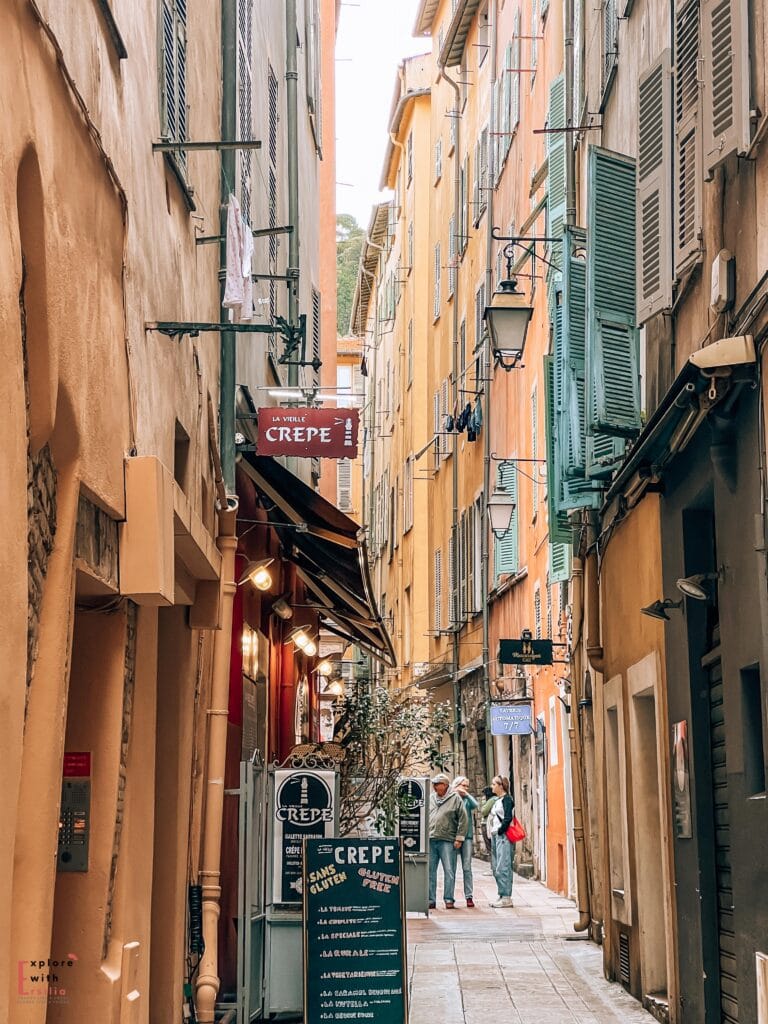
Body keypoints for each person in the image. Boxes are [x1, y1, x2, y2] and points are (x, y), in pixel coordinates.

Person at [428, 773, 469, 910]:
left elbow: (463, 819)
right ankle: (430, 900)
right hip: (431, 838)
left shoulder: (455, 798)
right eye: (433, 784)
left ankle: (449, 899)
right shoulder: (431, 798)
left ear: (445, 785)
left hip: (447, 840)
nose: (434, 786)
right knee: (430, 871)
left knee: (449, 871)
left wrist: (459, 838)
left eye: (437, 784)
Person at [487, 775, 515, 908]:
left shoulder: (507, 799)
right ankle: (502, 894)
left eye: (494, 784)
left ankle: (506, 897)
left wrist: (500, 830)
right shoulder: (498, 800)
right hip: (496, 835)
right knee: (496, 866)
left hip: (503, 836)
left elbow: (508, 817)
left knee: (503, 866)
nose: (492, 786)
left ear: (501, 786)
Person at [451, 776, 479, 907]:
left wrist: (467, 794)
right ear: (456, 785)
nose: (465, 788)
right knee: (451, 868)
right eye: (463, 785)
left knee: (467, 867)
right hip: (452, 837)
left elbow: (476, 805)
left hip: (467, 837)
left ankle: (469, 896)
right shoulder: (451, 798)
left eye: (467, 786)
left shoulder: (467, 799)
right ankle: (449, 897)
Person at [479, 785, 497, 866]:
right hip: (491, 824)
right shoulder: (496, 799)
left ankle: (493, 866)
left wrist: (483, 803)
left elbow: (483, 811)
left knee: (490, 847)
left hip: (487, 824)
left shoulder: (491, 800)